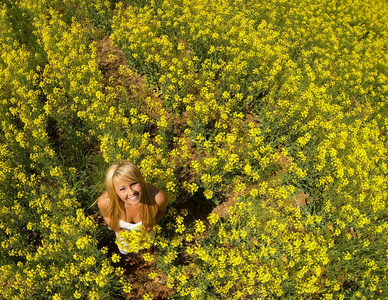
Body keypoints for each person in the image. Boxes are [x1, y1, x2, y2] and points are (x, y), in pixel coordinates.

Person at [96, 160, 167, 254]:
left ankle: (149, 251)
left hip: (146, 232)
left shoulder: (158, 198)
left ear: (141, 179)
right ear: (114, 191)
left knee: (149, 243)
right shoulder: (105, 203)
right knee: (125, 249)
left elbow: (161, 211)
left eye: (134, 184)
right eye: (122, 189)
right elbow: (107, 217)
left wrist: (150, 227)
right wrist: (120, 232)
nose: (131, 192)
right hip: (123, 234)